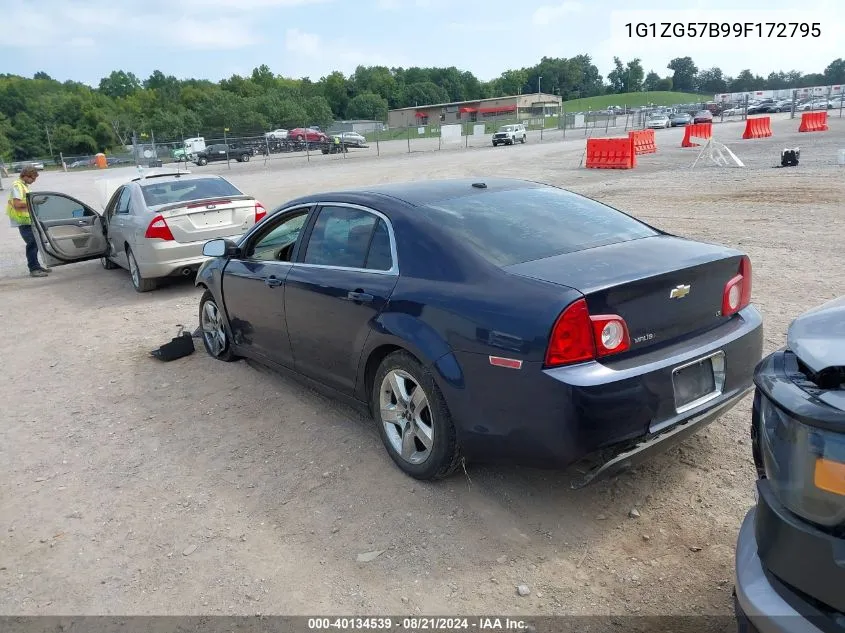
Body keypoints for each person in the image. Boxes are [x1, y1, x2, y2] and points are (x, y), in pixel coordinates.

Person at [6, 166, 50, 277]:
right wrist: (34, 203)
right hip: (23, 221)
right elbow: (17, 204)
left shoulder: (23, 185)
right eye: (33, 178)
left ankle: (36, 266)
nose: (34, 181)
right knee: (32, 244)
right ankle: (34, 269)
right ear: (26, 175)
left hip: (27, 220)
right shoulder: (17, 186)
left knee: (35, 243)